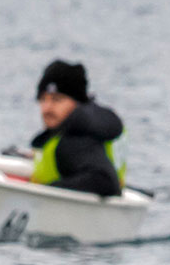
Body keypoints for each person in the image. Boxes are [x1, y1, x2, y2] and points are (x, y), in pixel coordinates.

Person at [28, 60, 125, 197]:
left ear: (77, 102)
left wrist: (46, 192)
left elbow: (104, 180)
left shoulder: (75, 140)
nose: (47, 108)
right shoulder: (94, 125)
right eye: (43, 99)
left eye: (57, 99)